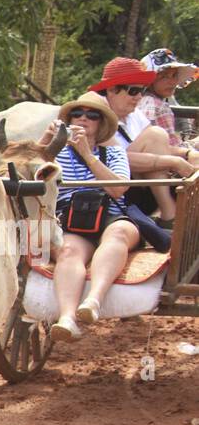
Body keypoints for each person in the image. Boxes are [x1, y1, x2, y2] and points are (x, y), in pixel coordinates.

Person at [47, 91, 140, 342]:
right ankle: (67, 318)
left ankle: (93, 301)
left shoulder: (115, 153)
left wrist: (88, 154)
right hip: (73, 217)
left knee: (118, 234)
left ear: (101, 124)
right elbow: (30, 171)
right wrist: (48, 141)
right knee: (67, 251)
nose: (83, 119)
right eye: (77, 114)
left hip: (110, 213)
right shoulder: (55, 152)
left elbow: (118, 189)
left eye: (92, 115)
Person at [90, 56, 193, 223]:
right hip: (115, 194)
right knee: (156, 134)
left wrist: (187, 154)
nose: (138, 97)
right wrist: (173, 162)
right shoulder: (95, 115)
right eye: (133, 91)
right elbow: (115, 159)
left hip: (139, 188)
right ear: (111, 89)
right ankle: (169, 214)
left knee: (158, 137)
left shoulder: (133, 113)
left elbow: (157, 148)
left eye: (142, 91)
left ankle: (170, 214)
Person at [128, 48, 199, 154]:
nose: (172, 81)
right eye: (164, 76)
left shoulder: (139, 100)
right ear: (150, 81)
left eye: (174, 75)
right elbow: (172, 150)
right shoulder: (158, 106)